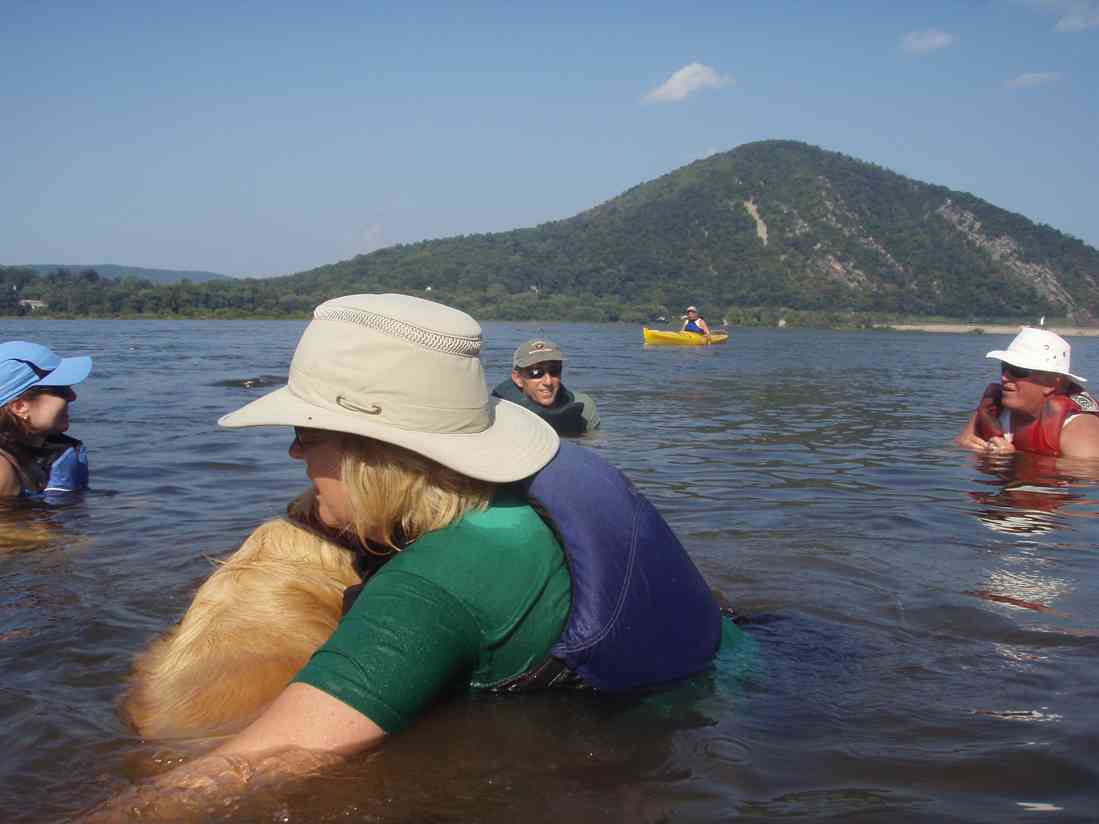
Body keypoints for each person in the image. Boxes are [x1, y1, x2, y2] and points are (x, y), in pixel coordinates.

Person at [103, 294, 731, 814]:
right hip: (725, 687)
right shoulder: (533, 498)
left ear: (370, 452)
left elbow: (236, 773)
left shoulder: (429, 588)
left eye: (304, 434)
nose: (295, 456)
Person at [955, 327, 1099, 459]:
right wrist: (965, 450)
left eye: (1018, 371)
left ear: (1051, 382)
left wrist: (1012, 459)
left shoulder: (1080, 429)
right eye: (1004, 367)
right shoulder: (991, 408)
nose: (1005, 377)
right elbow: (954, 455)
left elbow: (1089, 478)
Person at [0, 341, 92, 498]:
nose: (72, 396)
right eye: (61, 389)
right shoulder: (3, 472)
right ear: (20, 406)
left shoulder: (33, 451)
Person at [491, 337, 600, 435]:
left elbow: (596, 446)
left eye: (554, 371)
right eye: (536, 372)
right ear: (517, 378)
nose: (548, 382)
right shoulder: (497, 410)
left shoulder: (584, 407)